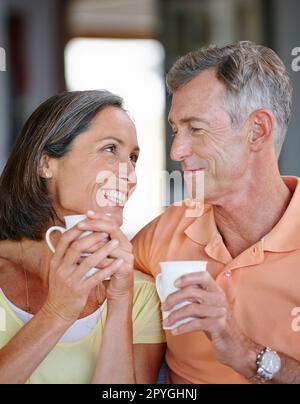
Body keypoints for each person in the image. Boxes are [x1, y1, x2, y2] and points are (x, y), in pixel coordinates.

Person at [132, 41, 300, 384]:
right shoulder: (163, 235)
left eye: (196, 129)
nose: (177, 150)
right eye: (176, 130)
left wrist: (243, 352)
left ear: (257, 130)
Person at [0, 90, 166, 384]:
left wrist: (119, 302)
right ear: (45, 163)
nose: (129, 175)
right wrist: (58, 311)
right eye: (110, 149)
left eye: (133, 158)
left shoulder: (138, 294)